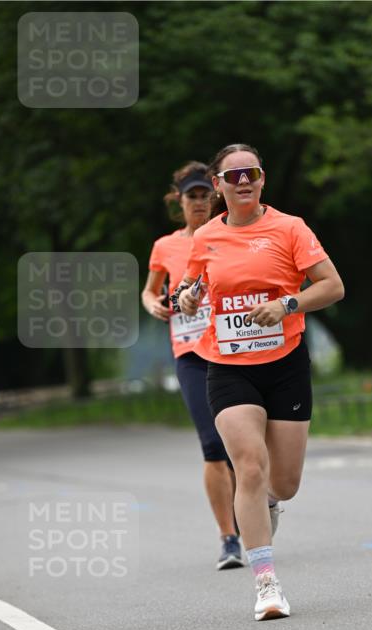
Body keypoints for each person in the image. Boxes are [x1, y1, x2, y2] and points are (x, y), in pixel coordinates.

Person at [175, 143, 344, 621]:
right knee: (248, 465)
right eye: (233, 176)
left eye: (251, 173)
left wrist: (288, 305)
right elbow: (193, 286)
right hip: (226, 365)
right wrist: (188, 299)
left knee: (283, 483)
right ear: (219, 185)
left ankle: (269, 503)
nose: (243, 181)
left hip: (285, 363)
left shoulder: (290, 228)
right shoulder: (206, 236)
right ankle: (266, 584)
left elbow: (332, 285)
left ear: (262, 179)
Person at [141, 162, 243, 571]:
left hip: (233, 349)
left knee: (243, 448)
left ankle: (255, 514)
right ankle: (229, 537)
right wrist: (154, 305)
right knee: (213, 447)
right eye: (192, 197)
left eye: (205, 196)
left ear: (215, 197)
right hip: (190, 353)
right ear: (178, 202)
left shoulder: (229, 233)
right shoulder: (165, 246)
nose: (199, 203)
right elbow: (149, 292)